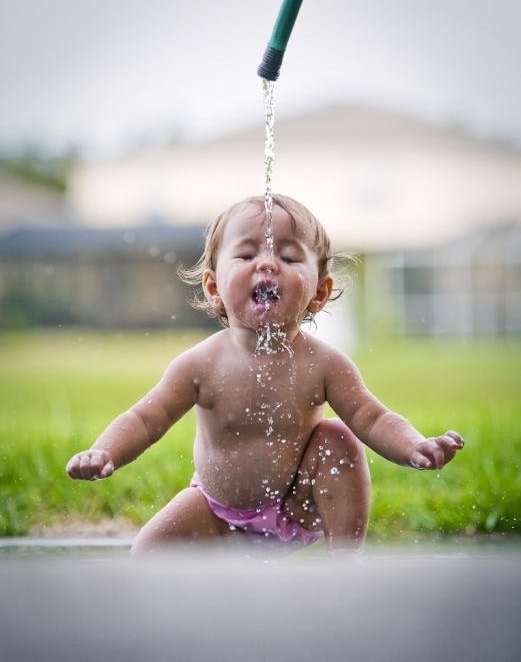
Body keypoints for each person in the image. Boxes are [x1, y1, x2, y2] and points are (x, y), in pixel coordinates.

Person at [66, 194, 464, 554]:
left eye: (290, 258)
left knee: (338, 438)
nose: (268, 264)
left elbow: (372, 417)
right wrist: (106, 452)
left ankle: (345, 563)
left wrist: (413, 446)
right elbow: (145, 418)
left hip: (298, 505)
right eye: (246, 255)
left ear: (319, 293)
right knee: (147, 554)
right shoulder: (200, 365)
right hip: (217, 510)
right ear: (213, 287)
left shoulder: (324, 364)